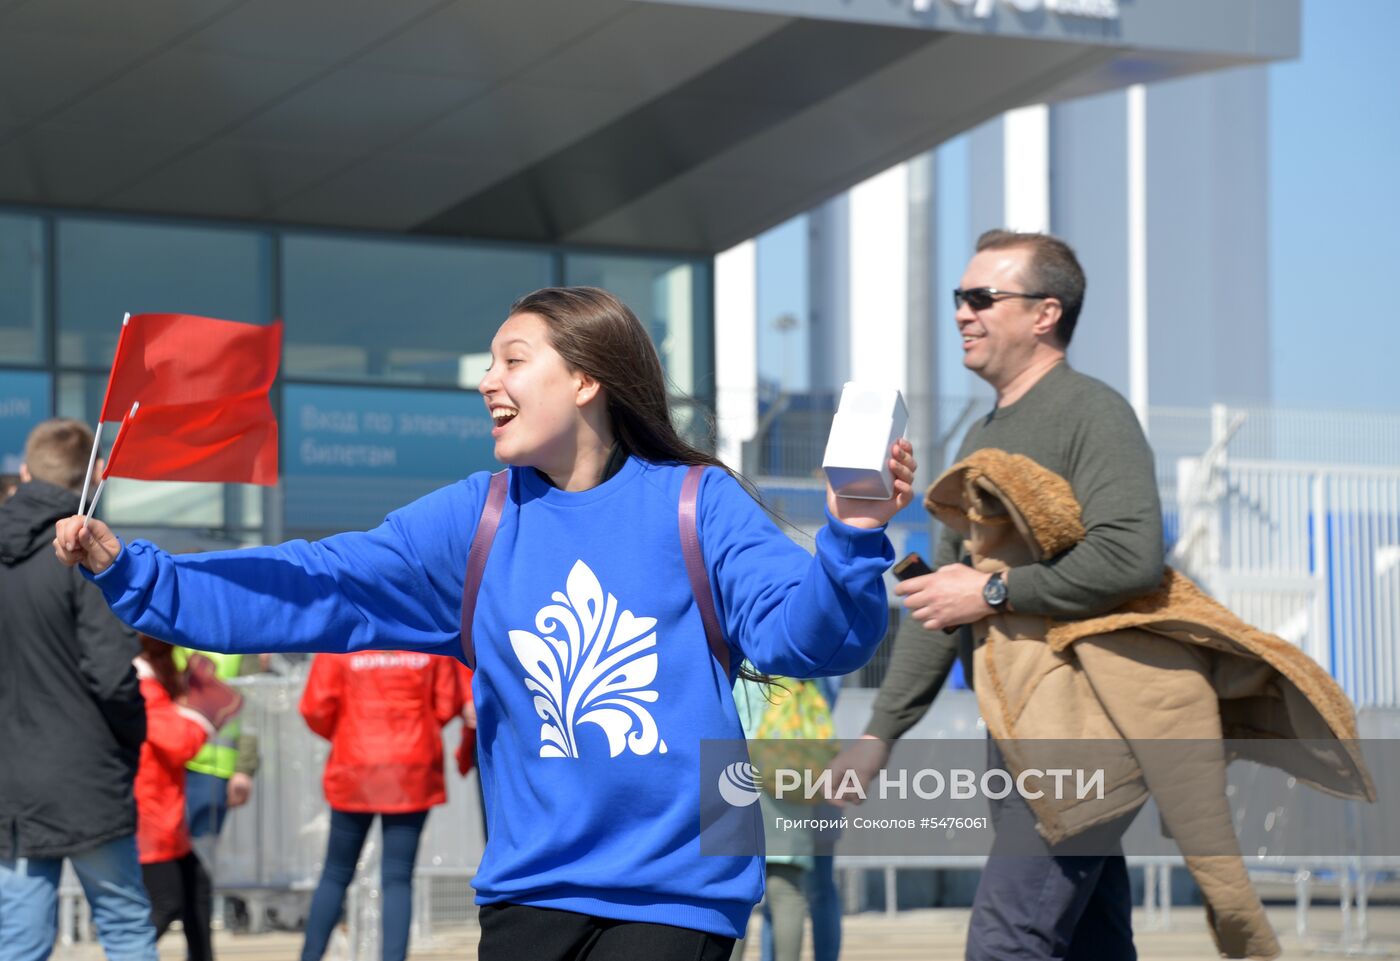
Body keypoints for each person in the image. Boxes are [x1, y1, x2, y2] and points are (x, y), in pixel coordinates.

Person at [53, 286, 915, 961]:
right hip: (527, 892)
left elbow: (811, 639)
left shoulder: (698, 503)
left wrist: (851, 537)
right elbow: (320, 582)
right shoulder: (478, 520)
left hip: (678, 895)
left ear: (585, 381)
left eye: (512, 359)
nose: (486, 381)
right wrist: (136, 574)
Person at [829, 231, 1165, 960]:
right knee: (1091, 945)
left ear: (1045, 314)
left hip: (1083, 731)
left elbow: (1131, 555)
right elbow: (939, 604)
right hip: (1017, 730)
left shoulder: (1092, 412)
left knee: (1005, 941)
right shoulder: (979, 437)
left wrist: (990, 588)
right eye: (960, 297)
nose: (962, 312)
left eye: (983, 297)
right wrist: (879, 735)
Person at [0, 419, 157, 961]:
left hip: (11, 789)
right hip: (88, 776)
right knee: (126, 931)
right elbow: (112, 673)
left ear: (25, 472)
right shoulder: (83, 552)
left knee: (19, 943)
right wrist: (131, 741)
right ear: (94, 475)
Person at [297, 651, 466, 961]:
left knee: (336, 873)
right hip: (411, 766)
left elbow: (315, 707)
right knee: (398, 877)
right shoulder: (425, 639)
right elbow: (446, 703)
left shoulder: (341, 642)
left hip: (355, 764)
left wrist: (347, 732)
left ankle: (310, 956)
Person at [133, 635, 216, 960]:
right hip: (150, 813)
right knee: (166, 903)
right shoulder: (144, 686)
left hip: (163, 809)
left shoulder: (148, 683)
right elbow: (180, 742)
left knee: (197, 888)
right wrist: (203, 712)